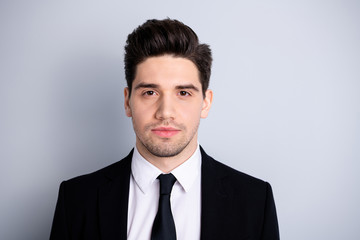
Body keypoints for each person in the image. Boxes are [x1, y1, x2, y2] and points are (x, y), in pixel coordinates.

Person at [50, 18, 280, 240]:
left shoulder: (255, 202)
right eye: (150, 92)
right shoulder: (76, 201)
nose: (165, 112)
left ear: (206, 102)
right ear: (127, 101)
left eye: (183, 93)